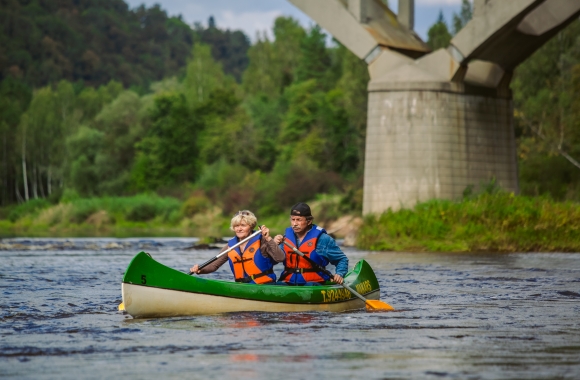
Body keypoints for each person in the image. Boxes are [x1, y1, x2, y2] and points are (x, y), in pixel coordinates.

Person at [190, 210, 284, 284]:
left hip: (264, 286)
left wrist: (268, 238)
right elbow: (214, 266)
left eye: (243, 225)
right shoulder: (230, 246)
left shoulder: (262, 241)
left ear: (251, 226)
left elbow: (280, 258)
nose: (239, 229)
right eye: (236, 226)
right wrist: (200, 270)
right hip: (242, 286)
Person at [274, 202, 348, 286]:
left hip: (314, 283)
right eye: (293, 219)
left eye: (299, 220)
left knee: (310, 285)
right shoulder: (285, 239)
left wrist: (339, 274)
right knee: (276, 285)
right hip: (288, 281)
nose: (294, 224)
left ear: (309, 221)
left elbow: (341, 260)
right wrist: (273, 245)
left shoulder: (323, 239)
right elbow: (273, 260)